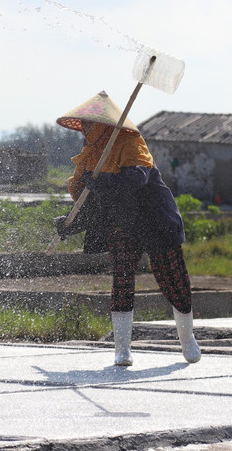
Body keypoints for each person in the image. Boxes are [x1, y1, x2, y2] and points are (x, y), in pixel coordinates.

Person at [54, 91, 201, 366]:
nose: (85, 130)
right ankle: (122, 350)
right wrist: (69, 224)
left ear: (103, 125)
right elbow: (93, 204)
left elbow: (136, 179)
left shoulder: (130, 142)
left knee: (173, 280)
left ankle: (187, 339)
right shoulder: (90, 156)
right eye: (83, 125)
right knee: (121, 279)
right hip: (122, 223)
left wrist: (103, 181)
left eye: (89, 124)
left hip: (154, 219)